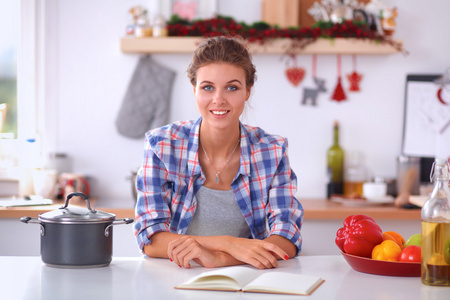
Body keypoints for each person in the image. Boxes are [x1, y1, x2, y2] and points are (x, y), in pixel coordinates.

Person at [134, 36, 303, 270]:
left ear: (247, 91)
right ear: (194, 90)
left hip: (247, 279)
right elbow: (150, 238)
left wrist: (223, 258)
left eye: (232, 87)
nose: (219, 100)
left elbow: (287, 236)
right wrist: (228, 244)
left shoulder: (271, 150)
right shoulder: (162, 145)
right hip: (175, 278)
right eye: (207, 87)